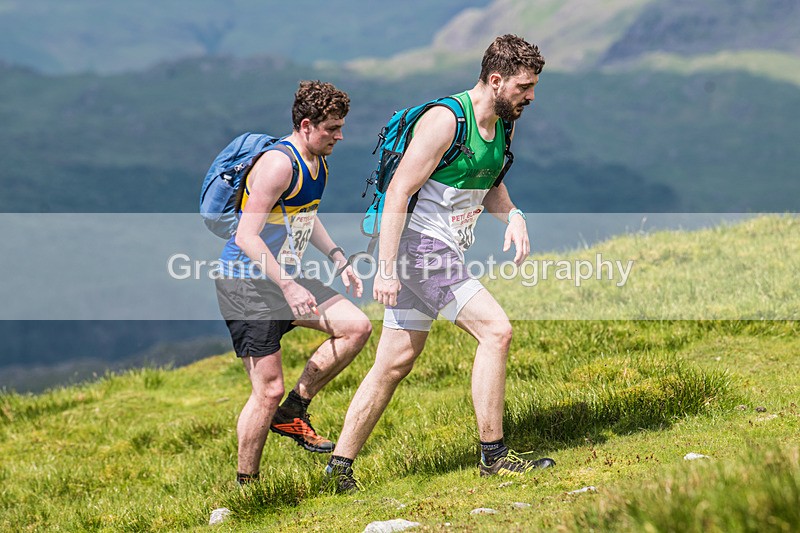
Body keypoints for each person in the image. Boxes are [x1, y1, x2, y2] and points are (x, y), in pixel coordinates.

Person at [325, 35, 553, 492]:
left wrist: (513, 216)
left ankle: (339, 468)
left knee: (395, 361)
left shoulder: (503, 122)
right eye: (523, 87)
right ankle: (494, 457)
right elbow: (398, 193)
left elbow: (489, 181)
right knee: (496, 330)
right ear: (495, 80)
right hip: (421, 250)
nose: (530, 96)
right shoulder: (445, 121)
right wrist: (386, 270)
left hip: (439, 250)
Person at [215, 80, 372, 486]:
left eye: (340, 127)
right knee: (266, 390)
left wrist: (338, 258)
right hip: (246, 284)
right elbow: (246, 236)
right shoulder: (277, 164)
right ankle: (247, 486)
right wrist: (289, 286)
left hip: (282, 276)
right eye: (332, 129)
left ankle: (294, 410)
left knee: (356, 327)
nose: (340, 136)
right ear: (306, 125)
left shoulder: (317, 161)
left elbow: (304, 215)